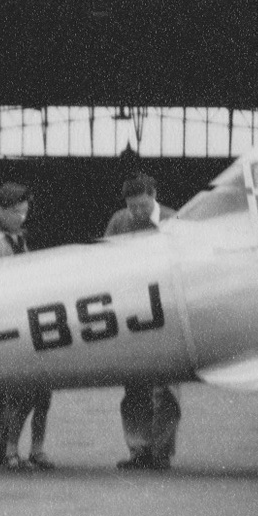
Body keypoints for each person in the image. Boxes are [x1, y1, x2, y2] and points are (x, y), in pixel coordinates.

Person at [0, 181, 54, 471]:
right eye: (16, 211)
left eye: (25, 211)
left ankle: (15, 450)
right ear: (0, 210)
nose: (22, 217)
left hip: (23, 325)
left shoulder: (24, 240)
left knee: (27, 393)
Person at [104, 172, 181, 471]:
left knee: (166, 390)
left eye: (142, 206)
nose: (136, 213)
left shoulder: (174, 222)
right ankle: (139, 450)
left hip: (167, 314)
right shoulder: (119, 222)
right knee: (134, 386)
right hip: (131, 312)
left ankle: (161, 453)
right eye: (132, 207)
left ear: (154, 195)